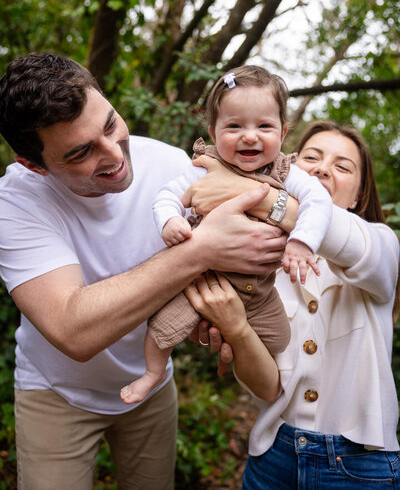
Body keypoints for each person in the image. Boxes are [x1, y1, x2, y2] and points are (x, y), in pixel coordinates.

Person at [0, 52, 292, 490]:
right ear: (35, 165)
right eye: (81, 152)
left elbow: (280, 216)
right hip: (57, 392)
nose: (114, 153)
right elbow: (72, 330)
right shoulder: (15, 202)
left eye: (111, 125)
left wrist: (225, 320)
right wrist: (199, 251)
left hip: (152, 389)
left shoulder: (171, 165)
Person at [184, 120, 400, 489]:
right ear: (289, 170)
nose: (322, 168)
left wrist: (250, 192)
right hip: (273, 458)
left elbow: (340, 234)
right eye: (311, 158)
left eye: (342, 166)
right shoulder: (257, 265)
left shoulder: (381, 245)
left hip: (362, 466)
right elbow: (266, 390)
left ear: (358, 196)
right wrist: (235, 329)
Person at [120, 66, 332, 405]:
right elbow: (167, 196)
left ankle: (245, 363)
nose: (249, 136)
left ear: (283, 131)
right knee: (162, 328)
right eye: (234, 126)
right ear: (213, 131)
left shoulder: (286, 171)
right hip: (203, 281)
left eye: (264, 126)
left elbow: (318, 201)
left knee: (279, 340)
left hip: (260, 293)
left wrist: (301, 241)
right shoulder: (203, 166)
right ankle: (152, 373)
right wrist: (169, 220)